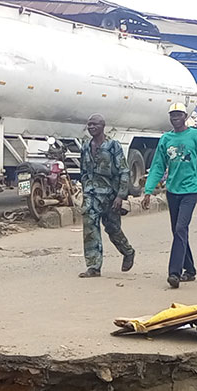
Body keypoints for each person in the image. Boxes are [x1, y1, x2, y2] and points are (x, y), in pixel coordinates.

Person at [142, 103, 197, 289]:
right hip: (172, 191)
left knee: (180, 229)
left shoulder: (196, 136)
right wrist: (148, 190)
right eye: (172, 115)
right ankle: (190, 269)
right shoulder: (166, 139)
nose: (175, 118)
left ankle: (174, 273)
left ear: (185, 116)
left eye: (178, 114)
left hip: (191, 190)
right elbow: (158, 166)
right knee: (178, 231)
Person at [77, 114, 135, 278]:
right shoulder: (85, 146)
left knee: (112, 228)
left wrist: (120, 195)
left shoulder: (112, 146)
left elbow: (124, 171)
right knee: (90, 228)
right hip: (91, 195)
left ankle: (128, 251)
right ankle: (93, 266)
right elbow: (83, 170)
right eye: (89, 125)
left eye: (95, 124)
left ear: (103, 126)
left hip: (110, 196)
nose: (91, 127)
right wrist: (85, 188)